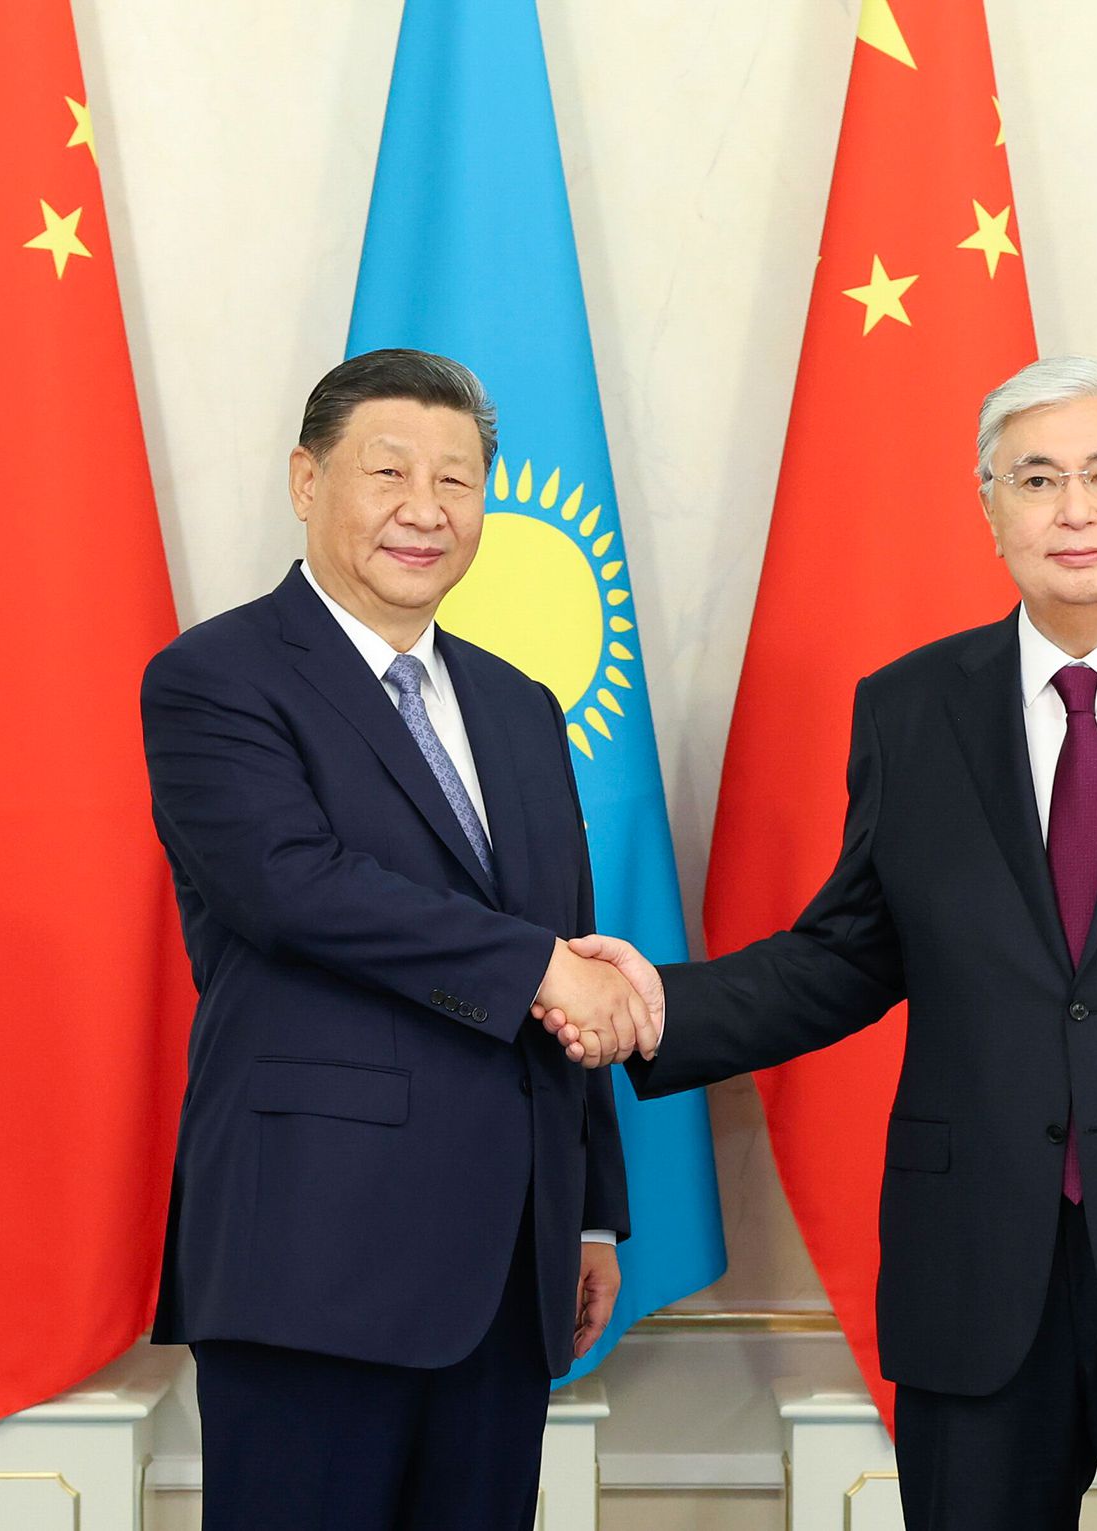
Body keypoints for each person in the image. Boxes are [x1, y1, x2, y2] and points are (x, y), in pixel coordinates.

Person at [545, 356, 1097, 1529]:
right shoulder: (911, 707)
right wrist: (662, 1004)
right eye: (1037, 477)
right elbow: (850, 951)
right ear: (987, 504)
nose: (1074, 508)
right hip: (977, 1265)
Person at [141, 348, 655, 1531]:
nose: (425, 510)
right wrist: (534, 965)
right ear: (305, 481)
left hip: (507, 1265)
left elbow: (564, 942)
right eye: (388, 472)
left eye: (458, 481)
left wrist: (586, 1210)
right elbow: (294, 885)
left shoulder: (522, 705)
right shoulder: (216, 677)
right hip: (312, 1254)